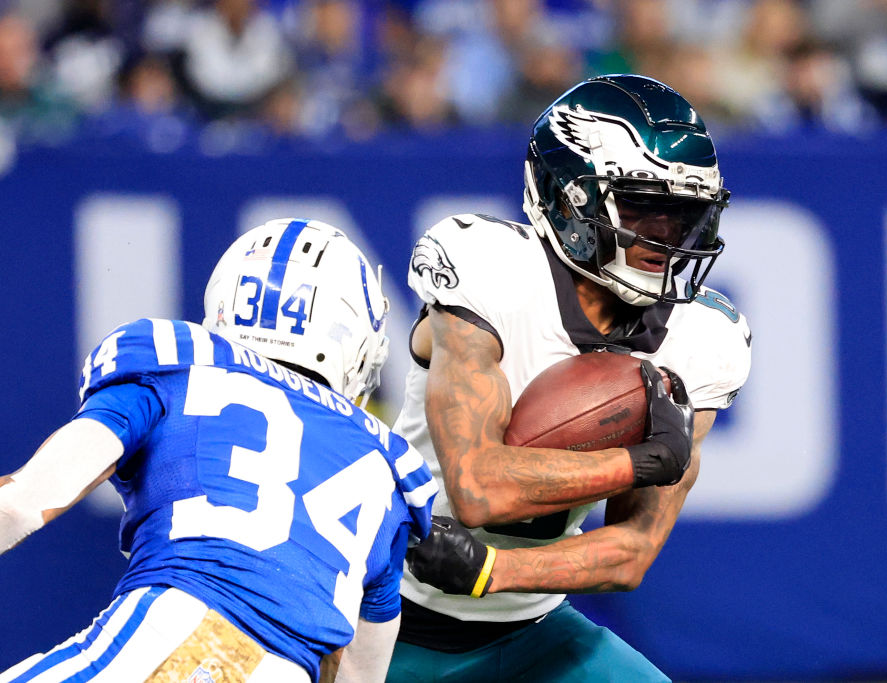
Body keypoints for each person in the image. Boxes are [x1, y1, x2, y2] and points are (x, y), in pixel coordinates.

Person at [388, 74, 752, 681]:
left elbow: (631, 552)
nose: (667, 237)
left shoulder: (704, 339)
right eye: (642, 209)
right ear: (568, 199)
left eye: (683, 215)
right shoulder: (492, 273)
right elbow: (477, 488)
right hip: (386, 619)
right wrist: (638, 462)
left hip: (534, 627)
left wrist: (493, 572)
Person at [0, 218, 437, 683]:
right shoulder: (388, 467)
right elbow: (357, 674)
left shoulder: (176, 365)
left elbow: (23, 503)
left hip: (182, 642)